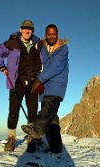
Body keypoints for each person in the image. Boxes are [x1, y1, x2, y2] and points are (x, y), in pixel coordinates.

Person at [0, 20, 42, 152]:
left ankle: (31, 138)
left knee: (33, 112)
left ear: (32, 31)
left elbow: (44, 59)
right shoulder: (12, 43)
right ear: (20, 29)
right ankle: (11, 138)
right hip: (16, 82)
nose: (27, 31)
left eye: (30, 29)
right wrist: (2, 67)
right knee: (13, 112)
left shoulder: (37, 45)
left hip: (33, 83)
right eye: (25, 28)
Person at [21, 24, 69, 153]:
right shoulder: (43, 47)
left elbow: (55, 67)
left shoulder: (62, 49)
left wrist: (38, 81)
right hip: (45, 88)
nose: (51, 36)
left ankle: (37, 129)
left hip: (56, 86)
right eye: (49, 34)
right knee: (52, 119)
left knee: (48, 108)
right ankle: (56, 147)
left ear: (57, 34)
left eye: (54, 34)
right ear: (46, 34)